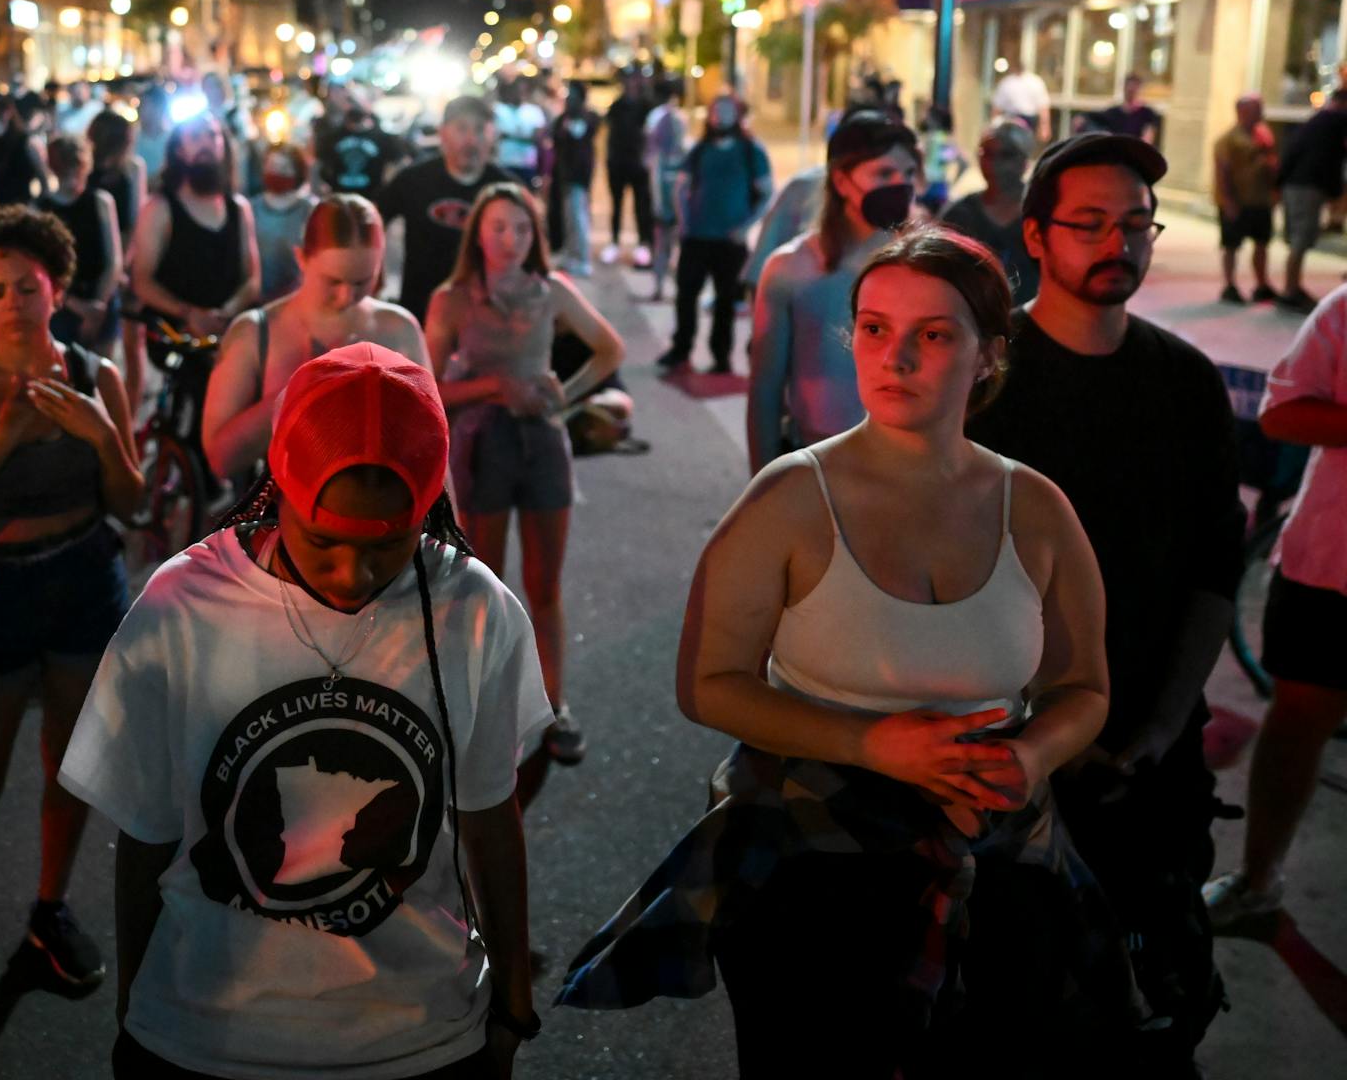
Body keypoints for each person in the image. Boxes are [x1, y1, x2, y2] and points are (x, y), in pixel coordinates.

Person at [559, 225, 1130, 1074]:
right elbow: (708, 684)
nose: (895, 356)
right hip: (814, 872)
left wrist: (1034, 754)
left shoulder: (1035, 508)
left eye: (933, 335)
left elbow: (1082, 686)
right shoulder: (791, 497)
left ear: (986, 356)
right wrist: (870, 743)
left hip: (999, 861)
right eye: (874, 328)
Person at [60, 342, 551, 1080]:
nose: (353, 573)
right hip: (204, 1037)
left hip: (419, 1039)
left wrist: (514, 997)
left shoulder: (473, 607)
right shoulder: (182, 605)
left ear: (429, 508)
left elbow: (489, 815)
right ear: (276, 489)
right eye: (323, 541)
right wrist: (138, 1005)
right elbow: (146, 835)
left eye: (388, 543)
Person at [966, 133, 1241, 1070]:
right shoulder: (987, 386)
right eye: (1089, 223)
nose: (1116, 242)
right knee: (1013, 1015)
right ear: (1036, 237)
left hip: (1153, 767)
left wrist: (1162, 727)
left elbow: (1216, 567)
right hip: (1010, 766)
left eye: (1134, 224)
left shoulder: (1187, 383)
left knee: (1157, 1013)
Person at [0, 205, 145, 1027]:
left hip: (85, 579)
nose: (13, 301)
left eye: (28, 287)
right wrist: (4, 437)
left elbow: (133, 502)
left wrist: (106, 434)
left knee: (70, 766)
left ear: (58, 288)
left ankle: (50, 911)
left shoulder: (95, 373)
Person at [425, 182, 626, 764]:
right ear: (477, 235)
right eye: (497, 228)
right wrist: (494, 386)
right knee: (483, 581)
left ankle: (553, 705)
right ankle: (482, 705)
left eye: (521, 228)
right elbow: (429, 384)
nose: (510, 240)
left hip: (543, 443)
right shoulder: (453, 299)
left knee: (544, 583)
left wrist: (569, 396)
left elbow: (609, 350)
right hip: (481, 445)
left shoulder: (552, 291)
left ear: (535, 234)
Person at [1206, 284, 1347, 930]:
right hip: (1331, 561)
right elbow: (1282, 413)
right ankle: (1258, 879)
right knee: (1297, 718)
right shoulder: (1343, 311)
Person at [202, 195, 428, 481]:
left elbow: (433, 448)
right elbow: (221, 460)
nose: (347, 296)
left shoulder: (399, 328)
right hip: (286, 516)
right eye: (333, 281)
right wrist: (297, 389)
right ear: (301, 258)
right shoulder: (255, 332)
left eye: (362, 281)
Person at [747, 117, 921, 472]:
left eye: (908, 173)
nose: (899, 185)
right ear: (842, 181)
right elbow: (765, 393)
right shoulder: (789, 269)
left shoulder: (924, 267)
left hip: (904, 462)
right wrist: (762, 489)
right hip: (816, 460)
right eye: (884, 174)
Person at [658, 94, 771, 376]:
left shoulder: (750, 151)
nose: (720, 115)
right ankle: (680, 349)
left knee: (725, 303)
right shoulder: (700, 150)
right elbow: (681, 187)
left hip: (730, 242)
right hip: (696, 237)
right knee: (686, 296)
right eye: (715, 110)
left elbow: (767, 192)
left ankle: (721, 357)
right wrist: (683, 220)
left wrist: (746, 227)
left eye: (726, 110)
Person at [377, 96, 510, 326]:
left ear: (492, 136)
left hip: (486, 316)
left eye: (479, 129)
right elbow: (374, 222)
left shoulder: (507, 190)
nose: (471, 139)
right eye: (461, 128)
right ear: (443, 133)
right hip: (420, 310)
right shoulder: (413, 180)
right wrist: (375, 276)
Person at [132, 115, 259, 341]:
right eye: (195, 136)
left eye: (212, 135)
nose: (205, 143)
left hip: (228, 336)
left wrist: (222, 315)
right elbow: (142, 281)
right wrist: (189, 314)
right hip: (177, 338)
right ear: (179, 150)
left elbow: (252, 279)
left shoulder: (238, 209)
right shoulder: (159, 209)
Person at [88, 107, 152, 410]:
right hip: (101, 260)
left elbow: (137, 217)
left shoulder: (133, 169)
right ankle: (105, 409)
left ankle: (130, 413)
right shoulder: (89, 172)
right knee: (105, 350)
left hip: (129, 259)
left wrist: (128, 262)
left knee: (132, 341)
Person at [941, 120, 1042, 308]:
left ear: (1024, 161)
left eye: (1006, 155)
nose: (994, 164)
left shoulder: (1042, 212)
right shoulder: (961, 214)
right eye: (987, 153)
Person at [39, 134, 123, 357]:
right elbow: (41, 266)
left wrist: (97, 306)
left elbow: (114, 261)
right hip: (61, 305)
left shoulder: (101, 202)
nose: (72, 175)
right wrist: (75, 305)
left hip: (99, 298)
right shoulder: (41, 208)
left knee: (102, 375)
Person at [1276, 88, 1347, 312]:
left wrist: (1279, 183)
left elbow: (1292, 152)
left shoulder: (1317, 121)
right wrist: (1335, 192)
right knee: (1301, 239)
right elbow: (1332, 159)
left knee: (1299, 238)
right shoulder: (1335, 121)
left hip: (1297, 184)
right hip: (1307, 187)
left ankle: (1292, 287)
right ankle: (1290, 290)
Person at [1212, 95, 1280, 304]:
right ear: (1242, 111)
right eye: (1256, 109)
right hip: (1237, 202)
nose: (1261, 113)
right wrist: (1228, 201)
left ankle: (1262, 284)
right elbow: (1222, 173)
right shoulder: (1228, 140)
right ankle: (1229, 284)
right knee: (1231, 245)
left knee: (1262, 243)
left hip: (1260, 201)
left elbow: (1272, 166)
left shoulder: (1263, 136)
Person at [643, 78, 690, 301]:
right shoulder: (663, 159)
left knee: (671, 245)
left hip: (676, 205)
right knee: (664, 243)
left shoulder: (685, 155)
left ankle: (668, 286)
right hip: (668, 203)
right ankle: (661, 286)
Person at [250, 141, 315, 302]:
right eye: (272, 166)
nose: (276, 172)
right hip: (258, 296)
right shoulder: (251, 207)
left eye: (284, 168)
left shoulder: (309, 208)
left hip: (298, 296)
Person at [601, 68, 653, 268]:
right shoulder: (617, 105)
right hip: (618, 162)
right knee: (617, 204)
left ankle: (643, 245)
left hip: (639, 165)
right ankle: (614, 242)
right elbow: (610, 132)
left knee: (641, 207)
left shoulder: (646, 106)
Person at [550, 81, 599, 277]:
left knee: (578, 217)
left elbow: (580, 136)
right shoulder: (563, 118)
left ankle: (582, 259)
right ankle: (571, 254)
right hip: (564, 174)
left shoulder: (587, 118)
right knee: (568, 217)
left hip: (578, 175)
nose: (568, 99)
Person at [0, 89, 49, 208]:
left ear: (8, 113)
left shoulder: (25, 142)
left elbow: (44, 180)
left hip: (20, 207)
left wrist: (36, 205)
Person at [320, 101, 408, 202]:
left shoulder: (383, 138)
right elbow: (319, 164)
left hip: (372, 198)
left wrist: (388, 184)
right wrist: (322, 187)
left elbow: (402, 161)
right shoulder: (333, 137)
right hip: (340, 197)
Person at [492, 76, 547, 190]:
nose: (519, 93)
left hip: (527, 165)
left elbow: (537, 137)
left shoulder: (534, 111)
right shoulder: (499, 110)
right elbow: (493, 135)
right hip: (504, 164)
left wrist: (509, 136)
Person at [1084, 73, 1162, 145]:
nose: (1131, 91)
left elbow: (1147, 138)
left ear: (1139, 89)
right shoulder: (1112, 113)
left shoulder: (1147, 113)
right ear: (1124, 88)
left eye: (1134, 88)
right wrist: (1082, 117)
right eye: (1129, 88)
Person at [991, 56, 1053, 138]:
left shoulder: (1035, 82)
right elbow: (997, 107)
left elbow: (1043, 107)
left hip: (1029, 119)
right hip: (1011, 119)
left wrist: (1044, 127)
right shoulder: (1007, 82)